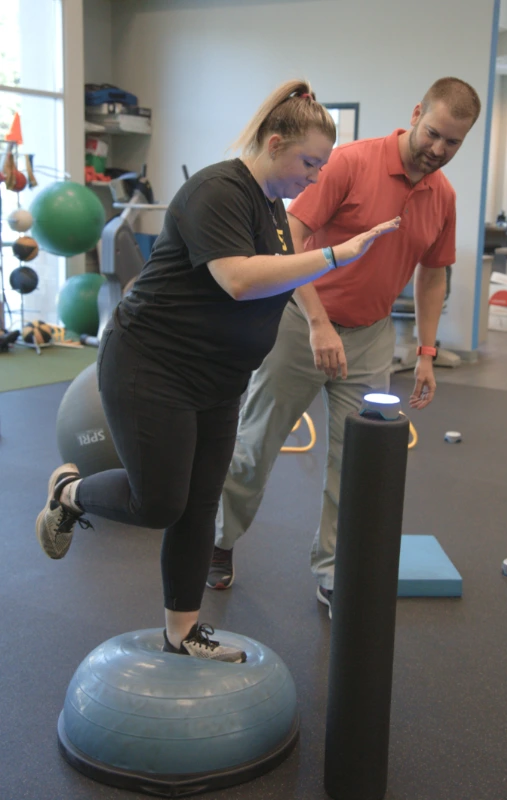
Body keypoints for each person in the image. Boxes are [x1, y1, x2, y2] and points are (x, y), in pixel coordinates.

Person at [35, 79, 400, 662]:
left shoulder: (273, 208)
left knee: (201, 503)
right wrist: (336, 253)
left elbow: (281, 271)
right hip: (151, 366)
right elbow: (238, 278)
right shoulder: (217, 190)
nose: (314, 176)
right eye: (309, 162)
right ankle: (69, 492)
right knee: (160, 504)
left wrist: (317, 317)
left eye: (321, 166)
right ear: (275, 142)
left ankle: (182, 633)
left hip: (219, 378)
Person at [210, 77, 481, 618]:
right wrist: (317, 321)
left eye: (453, 142)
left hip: (372, 338)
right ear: (415, 113)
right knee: (256, 442)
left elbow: (432, 278)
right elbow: (288, 235)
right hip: (299, 324)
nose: (438, 149)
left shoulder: (443, 195)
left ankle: (332, 570)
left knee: (353, 463)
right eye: (433, 134)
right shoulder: (349, 164)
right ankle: (219, 541)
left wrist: (426, 353)